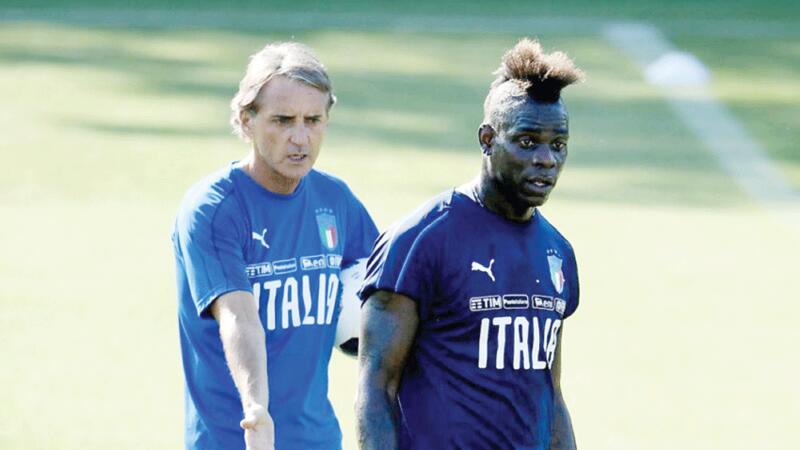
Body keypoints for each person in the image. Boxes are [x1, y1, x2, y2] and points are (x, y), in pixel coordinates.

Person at [356, 38, 585, 450]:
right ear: (487, 139)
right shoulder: (420, 240)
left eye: (558, 144)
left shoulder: (558, 252)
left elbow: (550, 395)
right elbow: (376, 389)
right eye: (527, 141)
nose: (547, 159)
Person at [171, 42, 378, 450]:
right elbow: (239, 317)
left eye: (312, 120)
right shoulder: (213, 209)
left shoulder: (335, 201)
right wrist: (256, 410)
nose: (300, 137)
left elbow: (389, 292)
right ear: (246, 121)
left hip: (318, 440)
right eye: (282, 121)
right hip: (238, 440)